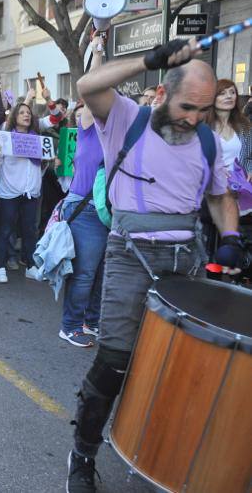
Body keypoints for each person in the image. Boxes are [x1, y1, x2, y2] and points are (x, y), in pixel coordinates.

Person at [65, 39, 243, 492]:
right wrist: (150, 59)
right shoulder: (127, 118)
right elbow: (88, 84)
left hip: (187, 261)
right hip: (130, 255)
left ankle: (163, 454)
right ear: (162, 93)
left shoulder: (206, 140)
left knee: (184, 367)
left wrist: (233, 238)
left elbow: (220, 197)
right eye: (187, 107)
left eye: (203, 111)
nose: (194, 118)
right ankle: (82, 457)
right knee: (114, 362)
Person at [59, 38, 108, 349]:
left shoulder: (119, 132)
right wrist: (99, 53)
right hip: (85, 210)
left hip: (109, 212)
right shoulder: (90, 128)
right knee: (85, 274)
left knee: (100, 275)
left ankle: (91, 321)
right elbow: (92, 88)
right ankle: (71, 325)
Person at [0, 102, 46, 283]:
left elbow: (39, 165)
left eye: (28, 113)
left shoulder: (37, 139)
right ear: (15, 116)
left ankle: (31, 266)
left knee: (29, 230)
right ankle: (0, 267)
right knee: (6, 229)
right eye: (22, 112)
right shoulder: (5, 138)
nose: (26, 115)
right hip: (10, 191)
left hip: (31, 191)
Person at [206, 79, 252, 178]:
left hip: (238, 186)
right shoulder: (203, 127)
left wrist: (249, 170)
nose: (229, 96)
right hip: (210, 187)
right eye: (222, 93)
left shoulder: (245, 127)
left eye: (232, 92)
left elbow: (249, 157)